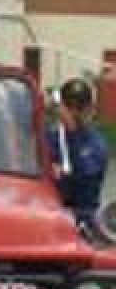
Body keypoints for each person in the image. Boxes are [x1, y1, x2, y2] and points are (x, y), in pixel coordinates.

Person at [48, 79, 109, 236]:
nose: (74, 112)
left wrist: (73, 131)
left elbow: (85, 179)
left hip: (83, 217)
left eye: (79, 107)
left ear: (88, 109)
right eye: (69, 106)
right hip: (51, 215)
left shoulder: (96, 144)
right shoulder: (50, 137)